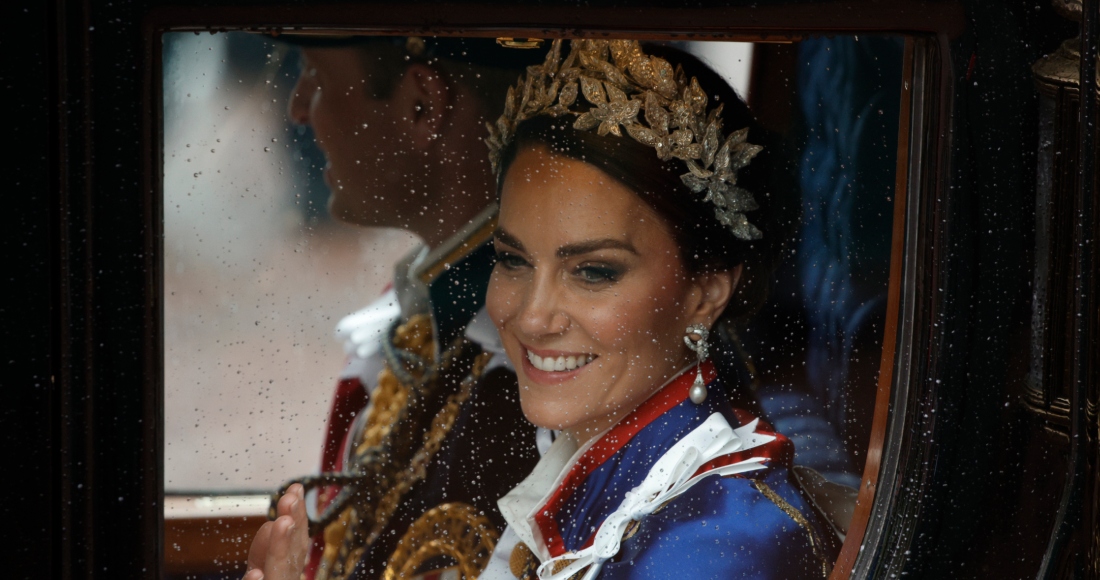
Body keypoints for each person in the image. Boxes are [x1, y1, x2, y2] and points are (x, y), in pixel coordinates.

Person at [474, 40, 839, 578]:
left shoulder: (719, 541)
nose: (531, 317)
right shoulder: (620, 490)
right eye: (512, 261)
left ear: (706, 293)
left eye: (593, 272)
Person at [244, 37, 544, 580]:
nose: (299, 106)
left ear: (421, 106)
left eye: (316, 72)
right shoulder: (419, 319)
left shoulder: (537, 385)